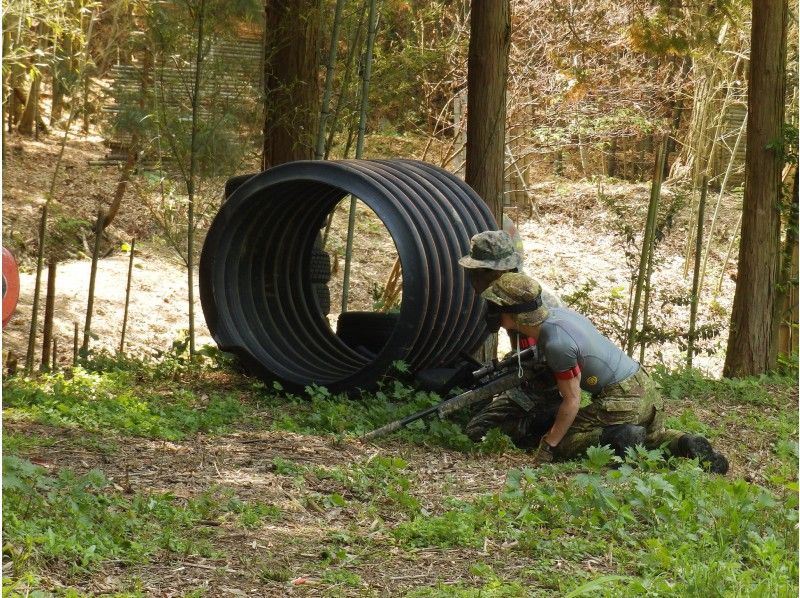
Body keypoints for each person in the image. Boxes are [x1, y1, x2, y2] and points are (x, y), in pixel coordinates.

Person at [475, 270, 728, 473]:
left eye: (498, 307)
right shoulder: (561, 316)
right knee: (652, 440)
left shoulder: (556, 344)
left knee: (564, 439)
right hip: (645, 389)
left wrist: (549, 445)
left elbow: (572, 401)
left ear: (515, 315)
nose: (494, 312)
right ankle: (684, 442)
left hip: (621, 399)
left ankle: (617, 435)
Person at [458, 230, 562, 448]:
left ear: (494, 271)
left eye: (477, 272)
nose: (473, 279)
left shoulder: (524, 297)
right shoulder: (501, 294)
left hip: (548, 382)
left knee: (478, 430)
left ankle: (546, 423)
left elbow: (541, 357)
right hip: (532, 376)